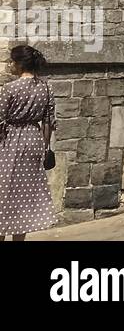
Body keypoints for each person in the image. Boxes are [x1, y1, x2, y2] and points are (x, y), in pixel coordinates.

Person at [0, 44, 56, 239]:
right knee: (23, 196)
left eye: (12, 61)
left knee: (4, 194)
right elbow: (49, 121)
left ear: (20, 64)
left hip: (11, 141)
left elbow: (0, 119)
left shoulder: (9, 89)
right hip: (34, 140)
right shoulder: (46, 87)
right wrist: (44, 146)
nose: (10, 65)